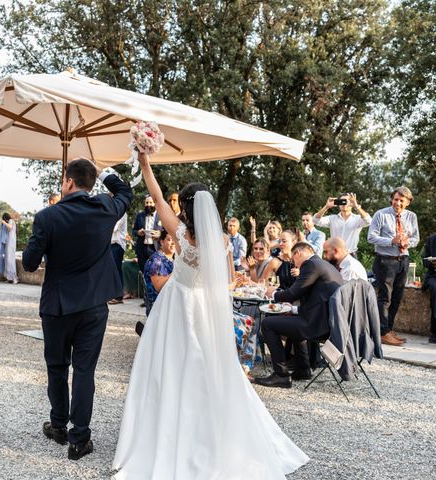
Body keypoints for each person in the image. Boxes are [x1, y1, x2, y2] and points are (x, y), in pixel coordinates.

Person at [113, 152, 308, 479]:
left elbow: (158, 197)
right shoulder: (221, 241)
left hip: (176, 304)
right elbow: (229, 281)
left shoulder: (179, 232)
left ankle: (165, 432)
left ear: (186, 208)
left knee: (169, 368)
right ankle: (207, 433)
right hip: (203, 307)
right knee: (204, 367)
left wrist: (145, 163)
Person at [22, 159, 132, 461]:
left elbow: (30, 263)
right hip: (94, 305)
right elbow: (126, 192)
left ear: (68, 182)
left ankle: (58, 425)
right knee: (85, 371)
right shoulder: (105, 208)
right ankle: (79, 439)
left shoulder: (47, 216)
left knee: (57, 367)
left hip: (57, 306)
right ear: (90, 182)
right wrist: (103, 172)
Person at [254, 242, 344, 388]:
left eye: (293, 261)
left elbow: (293, 293)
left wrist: (274, 294)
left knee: (267, 324)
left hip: (317, 325)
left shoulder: (311, 265)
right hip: (327, 322)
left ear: (298, 253)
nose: (294, 266)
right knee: (290, 318)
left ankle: (281, 375)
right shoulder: (324, 265)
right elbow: (318, 301)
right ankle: (303, 369)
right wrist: (294, 310)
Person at [367, 186, 419, 346]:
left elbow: (416, 238)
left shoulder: (411, 216)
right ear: (392, 199)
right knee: (385, 298)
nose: (397, 203)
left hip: (403, 260)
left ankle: (388, 329)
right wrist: (391, 241)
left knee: (397, 298)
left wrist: (407, 242)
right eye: (395, 199)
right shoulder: (381, 214)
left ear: (408, 202)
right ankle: (381, 332)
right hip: (385, 261)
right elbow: (371, 237)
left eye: (401, 200)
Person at [313, 193, 371, 257]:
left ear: (351, 203)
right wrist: (326, 207)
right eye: (341, 201)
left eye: (346, 201)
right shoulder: (332, 218)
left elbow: (368, 221)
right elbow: (315, 220)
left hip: (351, 255)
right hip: (334, 254)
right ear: (338, 204)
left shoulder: (358, 219)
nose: (343, 203)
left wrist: (356, 206)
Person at [143, 229, 175, 316]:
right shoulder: (157, 260)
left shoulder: (171, 259)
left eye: (176, 240)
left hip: (169, 301)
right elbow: (158, 287)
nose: (173, 243)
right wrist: (177, 272)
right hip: (158, 305)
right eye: (169, 239)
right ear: (161, 242)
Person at [132, 195, 161, 273]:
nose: (148, 204)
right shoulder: (139, 216)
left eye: (150, 202)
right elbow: (133, 231)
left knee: (155, 273)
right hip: (142, 249)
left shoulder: (161, 216)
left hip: (155, 249)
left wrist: (159, 234)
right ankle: (144, 285)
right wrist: (138, 232)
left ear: (154, 203)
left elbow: (166, 231)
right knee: (144, 272)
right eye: (147, 202)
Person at [108, 212, 128, 304]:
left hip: (117, 244)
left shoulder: (122, 213)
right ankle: (114, 295)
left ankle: (119, 296)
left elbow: (113, 228)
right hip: (112, 244)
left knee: (116, 269)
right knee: (113, 270)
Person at [0, 213, 18, 283]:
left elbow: (10, 227)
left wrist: (4, 222)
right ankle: (8, 277)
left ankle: (14, 278)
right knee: (7, 260)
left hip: (11, 243)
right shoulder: (8, 222)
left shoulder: (11, 221)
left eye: (4, 219)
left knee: (10, 260)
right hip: (7, 243)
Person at [422, 233, 436, 344]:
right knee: (435, 288)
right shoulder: (432, 239)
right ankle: (434, 333)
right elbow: (424, 260)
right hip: (433, 275)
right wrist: (431, 262)